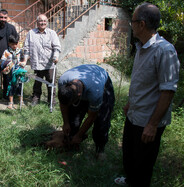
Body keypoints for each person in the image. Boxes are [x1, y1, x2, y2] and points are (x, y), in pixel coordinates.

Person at [114, 3, 180, 187]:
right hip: (134, 114)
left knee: (143, 164)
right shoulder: (141, 48)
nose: (131, 24)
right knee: (129, 156)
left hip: (148, 121)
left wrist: (152, 124)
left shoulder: (164, 51)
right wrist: (130, 103)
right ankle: (130, 180)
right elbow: (141, 82)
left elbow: (167, 92)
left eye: (132, 21)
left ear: (141, 24)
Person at [58, 64, 115, 157]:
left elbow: (92, 117)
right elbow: (63, 104)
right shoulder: (63, 82)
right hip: (84, 81)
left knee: (101, 121)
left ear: (79, 96)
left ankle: (100, 149)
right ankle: (72, 145)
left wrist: (79, 135)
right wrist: (66, 123)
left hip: (101, 82)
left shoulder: (95, 91)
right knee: (73, 121)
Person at [23, 14, 61, 107]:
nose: (43, 23)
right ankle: (35, 99)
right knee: (37, 83)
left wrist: (56, 57)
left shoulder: (52, 33)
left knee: (51, 83)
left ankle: (51, 101)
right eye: (41, 21)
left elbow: (56, 47)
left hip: (49, 64)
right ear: (37, 22)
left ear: (47, 23)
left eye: (44, 21)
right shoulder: (31, 33)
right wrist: (24, 60)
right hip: (37, 64)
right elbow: (26, 49)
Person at [0, 35, 25, 109]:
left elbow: (23, 60)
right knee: (11, 86)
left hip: (19, 72)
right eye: (12, 44)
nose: (14, 46)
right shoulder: (6, 52)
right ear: (9, 44)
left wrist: (22, 63)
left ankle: (21, 101)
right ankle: (10, 102)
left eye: (16, 44)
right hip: (10, 73)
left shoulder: (20, 51)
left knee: (20, 86)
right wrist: (7, 64)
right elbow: (2, 61)